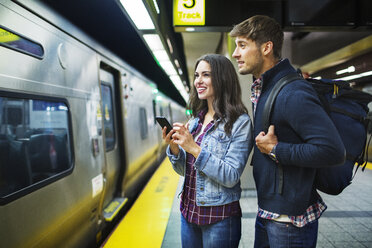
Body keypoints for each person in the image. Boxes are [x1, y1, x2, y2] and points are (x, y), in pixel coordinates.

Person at [230, 15, 345, 248]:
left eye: (242, 45)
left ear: (266, 47)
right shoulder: (267, 88)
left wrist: (276, 149)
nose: (235, 53)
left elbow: (333, 150)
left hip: (289, 221)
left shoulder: (292, 92)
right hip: (270, 212)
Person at [162, 54, 253, 248]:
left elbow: (231, 175)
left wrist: (194, 148)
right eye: (196, 75)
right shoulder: (195, 120)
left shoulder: (240, 123)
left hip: (219, 218)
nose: (198, 81)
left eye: (206, 75)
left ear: (222, 78)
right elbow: (183, 171)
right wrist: (175, 147)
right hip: (188, 213)